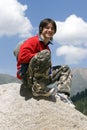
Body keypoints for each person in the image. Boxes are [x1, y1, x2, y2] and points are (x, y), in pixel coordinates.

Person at [15, 18, 74, 106]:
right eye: (47, 28)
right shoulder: (32, 41)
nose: (50, 30)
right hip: (29, 78)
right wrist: (39, 56)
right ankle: (38, 89)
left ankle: (63, 95)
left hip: (41, 78)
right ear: (41, 29)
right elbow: (22, 58)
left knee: (65, 68)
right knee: (45, 54)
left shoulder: (47, 48)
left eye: (52, 29)